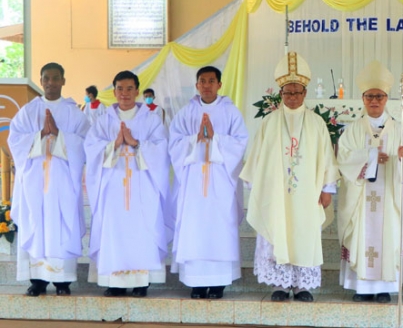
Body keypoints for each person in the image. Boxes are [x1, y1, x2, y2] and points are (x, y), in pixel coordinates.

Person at [240, 51, 340, 303]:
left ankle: (302, 286)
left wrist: (327, 188)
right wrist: (258, 187)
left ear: (305, 93)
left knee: (303, 234)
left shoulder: (317, 123)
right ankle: (280, 285)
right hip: (275, 193)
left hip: (308, 194)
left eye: (296, 92)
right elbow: (256, 158)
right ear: (280, 94)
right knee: (278, 231)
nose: (292, 97)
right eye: (287, 92)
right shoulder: (269, 122)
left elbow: (327, 156)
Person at [337, 61, 403, 303]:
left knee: (388, 235)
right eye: (369, 96)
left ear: (386, 99)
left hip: (389, 195)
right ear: (363, 98)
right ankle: (361, 287)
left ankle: (385, 287)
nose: (374, 100)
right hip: (361, 197)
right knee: (363, 236)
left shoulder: (398, 129)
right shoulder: (352, 129)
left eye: (379, 96)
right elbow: (343, 158)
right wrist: (371, 157)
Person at [85, 70, 171, 298]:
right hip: (113, 186)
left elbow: (162, 149)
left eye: (129, 88)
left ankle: (141, 282)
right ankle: (115, 282)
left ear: (138, 91)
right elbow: (91, 149)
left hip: (142, 186)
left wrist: (136, 143)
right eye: (120, 89)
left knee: (141, 228)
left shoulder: (151, 120)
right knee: (114, 229)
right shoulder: (104, 121)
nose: (124, 94)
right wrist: (114, 145)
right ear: (114, 91)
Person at [8, 62, 89, 297]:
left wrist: (60, 136)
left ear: (63, 80)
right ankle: (38, 280)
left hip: (63, 182)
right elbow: (15, 141)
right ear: (41, 81)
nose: (50, 83)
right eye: (46, 78)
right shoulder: (28, 112)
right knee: (36, 223)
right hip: (34, 182)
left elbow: (86, 144)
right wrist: (41, 134)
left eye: (55, 78)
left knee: (62, 224)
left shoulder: (74, 113)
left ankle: (62, 281)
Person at [169, 66, 248, 299]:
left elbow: (241, 143)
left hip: (220, 181)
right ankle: (196, 282)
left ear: (219, 85)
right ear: (197, 85)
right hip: (193, 179)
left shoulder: (231, 112)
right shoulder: (185, 113)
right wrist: (196, 139)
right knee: (194, 227)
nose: (206, 85)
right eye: (202, 81)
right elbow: (174, 144)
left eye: (211, 81)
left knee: (219, 227)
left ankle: (219, 282)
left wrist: (216, 138)